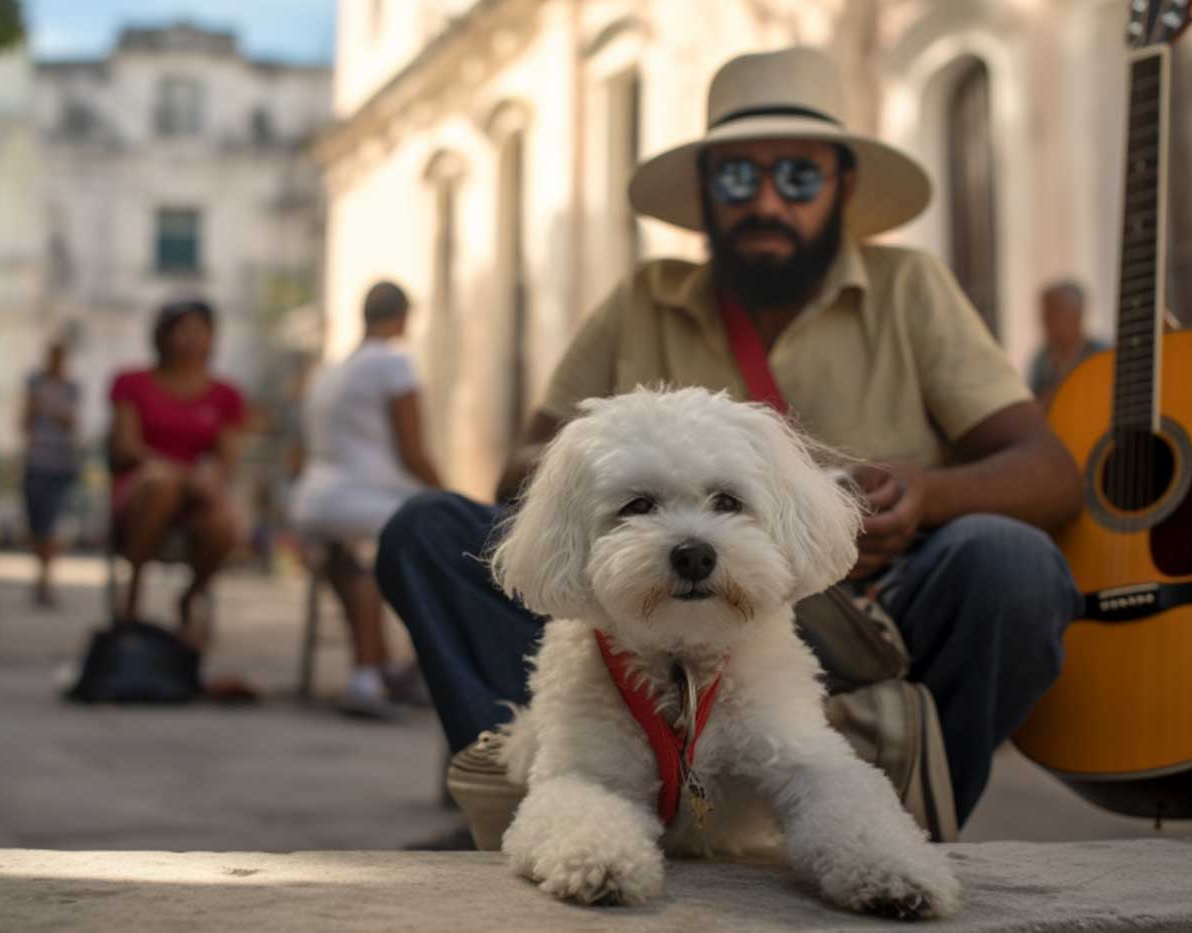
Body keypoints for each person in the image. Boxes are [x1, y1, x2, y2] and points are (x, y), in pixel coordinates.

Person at [376, 48, 1084, 833]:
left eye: (800, 177)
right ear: (707, 192)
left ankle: (909, 816)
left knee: (1014, 563)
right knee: (426, 532)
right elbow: (523, 470)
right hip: (642, 613)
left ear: (843, 186)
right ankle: (540, 791)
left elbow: (1049, 471)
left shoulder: (911, 286)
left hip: (874, 606)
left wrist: (929, 494)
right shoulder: (644, 298)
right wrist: (604, 459)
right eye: (740, 178)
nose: (768, 201)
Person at [290, 282, 444, 718]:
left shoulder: (331, 369)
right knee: (436, 543)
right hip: (365, 501)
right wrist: (449, 495)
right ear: (403, 318)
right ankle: (390, 673)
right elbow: (414, 452)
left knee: (349, 566)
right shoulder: (393, 364)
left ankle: (373, 670)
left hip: (315, 499)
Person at [107, 299, 247, 646]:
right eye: (182, 329)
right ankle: (132, 597)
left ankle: (191, 595)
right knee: (160, 483)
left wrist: (206, 479)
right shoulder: (132, 383)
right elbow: (126, 446)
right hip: (141, 487)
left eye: (200, 330)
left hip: (194, 496)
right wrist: (182, 473)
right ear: (163, 335)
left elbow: (227, 460)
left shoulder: (226, 394)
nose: (191, 339)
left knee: (224, 523)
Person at [21, 341, 81, 607]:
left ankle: (46, 580)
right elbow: (25, 420)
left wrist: (54, 412)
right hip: (36, 463)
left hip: (60, 465)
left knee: (51, 523)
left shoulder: (71, 387)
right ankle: (40, 576)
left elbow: (72, 422)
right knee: (36, 525)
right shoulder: (35, 383)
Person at [1027, 281, 1107, 407]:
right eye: (1045, 312)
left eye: (1055, 311)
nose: (1046, 319)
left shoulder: (1102, 355)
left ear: (1077, 315)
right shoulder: (1041, 359)